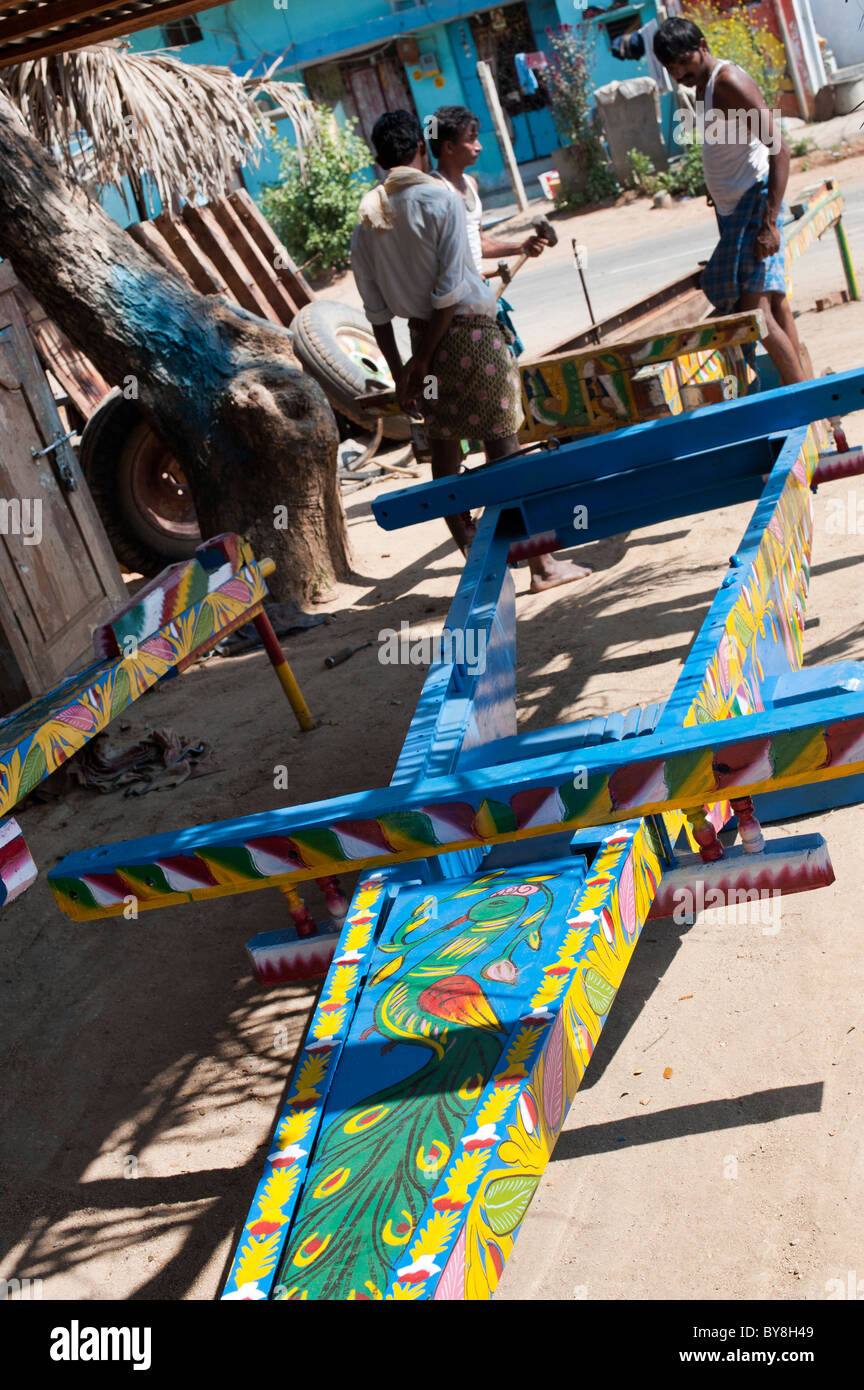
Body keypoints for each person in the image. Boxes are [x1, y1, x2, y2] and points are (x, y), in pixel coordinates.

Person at [350, 109, 589, 591]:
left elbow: (376, 312)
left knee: (444, 453)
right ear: (421, 149)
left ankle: (478, 560)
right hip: (472, 338)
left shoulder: (368, 218)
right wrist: (419, 363)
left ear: (379, 160)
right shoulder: (440, 201)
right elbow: (451, 291)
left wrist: (406, 370)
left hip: (421, 339)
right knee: (504, 449)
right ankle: (541, 567)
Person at [653, 16, 806, 386]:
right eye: (671, 69)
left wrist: (770, 222)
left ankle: (802, 397)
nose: (679, 73)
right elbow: (729, 141)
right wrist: (715, 186)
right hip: (733, 210)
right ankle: (807, 389)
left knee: (755, 313)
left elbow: (779, 149)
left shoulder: (728, 82)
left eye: (683, 62)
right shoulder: (704, 87)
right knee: (773, 304)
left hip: (755, 206)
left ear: (703, 46)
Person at [428, 104, 548, 355]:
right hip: (457, 307)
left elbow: (479, 243)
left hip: (480, 297)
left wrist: (520, 247)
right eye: (471, 140)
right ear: (448, 147)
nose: (479, 146)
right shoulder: (435, 191)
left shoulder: (471, 183)